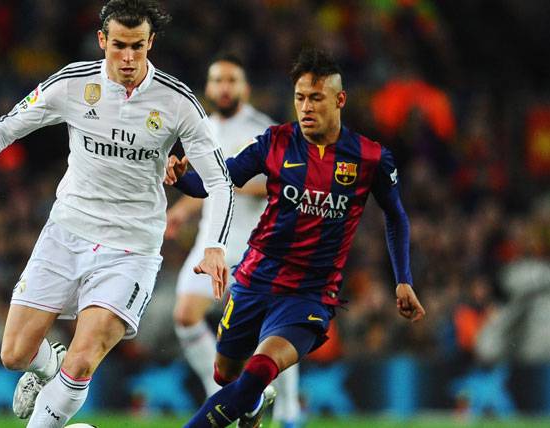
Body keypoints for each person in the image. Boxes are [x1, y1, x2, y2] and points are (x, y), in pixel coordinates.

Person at [0, 1, 234, 426]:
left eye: (138, 46)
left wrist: (215, 245)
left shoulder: (177, 102)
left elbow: (220, 181)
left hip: (131, 248)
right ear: (102, 40)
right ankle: (49, 369)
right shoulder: (73, 83)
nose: (128, 58)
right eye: (119, 45)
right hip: (66, 231)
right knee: (14, 354)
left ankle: (57, 393)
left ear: (151, 43)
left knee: (83, 358)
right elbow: (8, 125)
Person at [165, 48, 426, 428]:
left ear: (339, 100)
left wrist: (403, 279)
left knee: (259, 370)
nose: (306, 107)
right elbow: (221, 180)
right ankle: (254, 403)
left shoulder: (369, 157)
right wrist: (181, 178)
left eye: (316, 98)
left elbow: (396, 216)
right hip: (256, 278)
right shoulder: (275, 142)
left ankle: (272, 406)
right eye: (300, 98)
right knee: (225, 375)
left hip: (310, 292)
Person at [166, 54, 301, 428]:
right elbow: (206, 186)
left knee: (272, 331)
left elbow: (287, 183)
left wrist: (232, 181)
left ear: (245, 87)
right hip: (213, 242)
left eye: (231, 80)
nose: (224, 87)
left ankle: (290, 411)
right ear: (208, 88)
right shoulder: (201, 129)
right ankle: (225, 395)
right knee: (185, 316)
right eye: (218, 80)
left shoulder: (264, 129)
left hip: (257, 244)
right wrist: (181, 211)